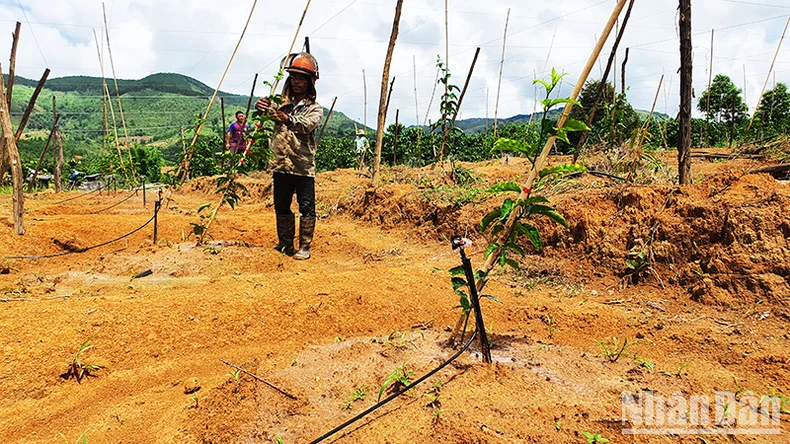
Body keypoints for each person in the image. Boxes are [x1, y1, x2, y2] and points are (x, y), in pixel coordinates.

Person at [255, 52, 323, 260]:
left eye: (301, 78)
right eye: (293, 77)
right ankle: (285, 244)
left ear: (310, 82)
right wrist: (262, 107)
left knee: (306, 207)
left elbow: (306, 125)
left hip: (302, 166)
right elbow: (266, 113)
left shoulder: (314, 108)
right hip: (281, 164)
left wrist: (286, 119)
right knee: (281, 204)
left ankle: (304, 247)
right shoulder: (280, 103)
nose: (296, 82)